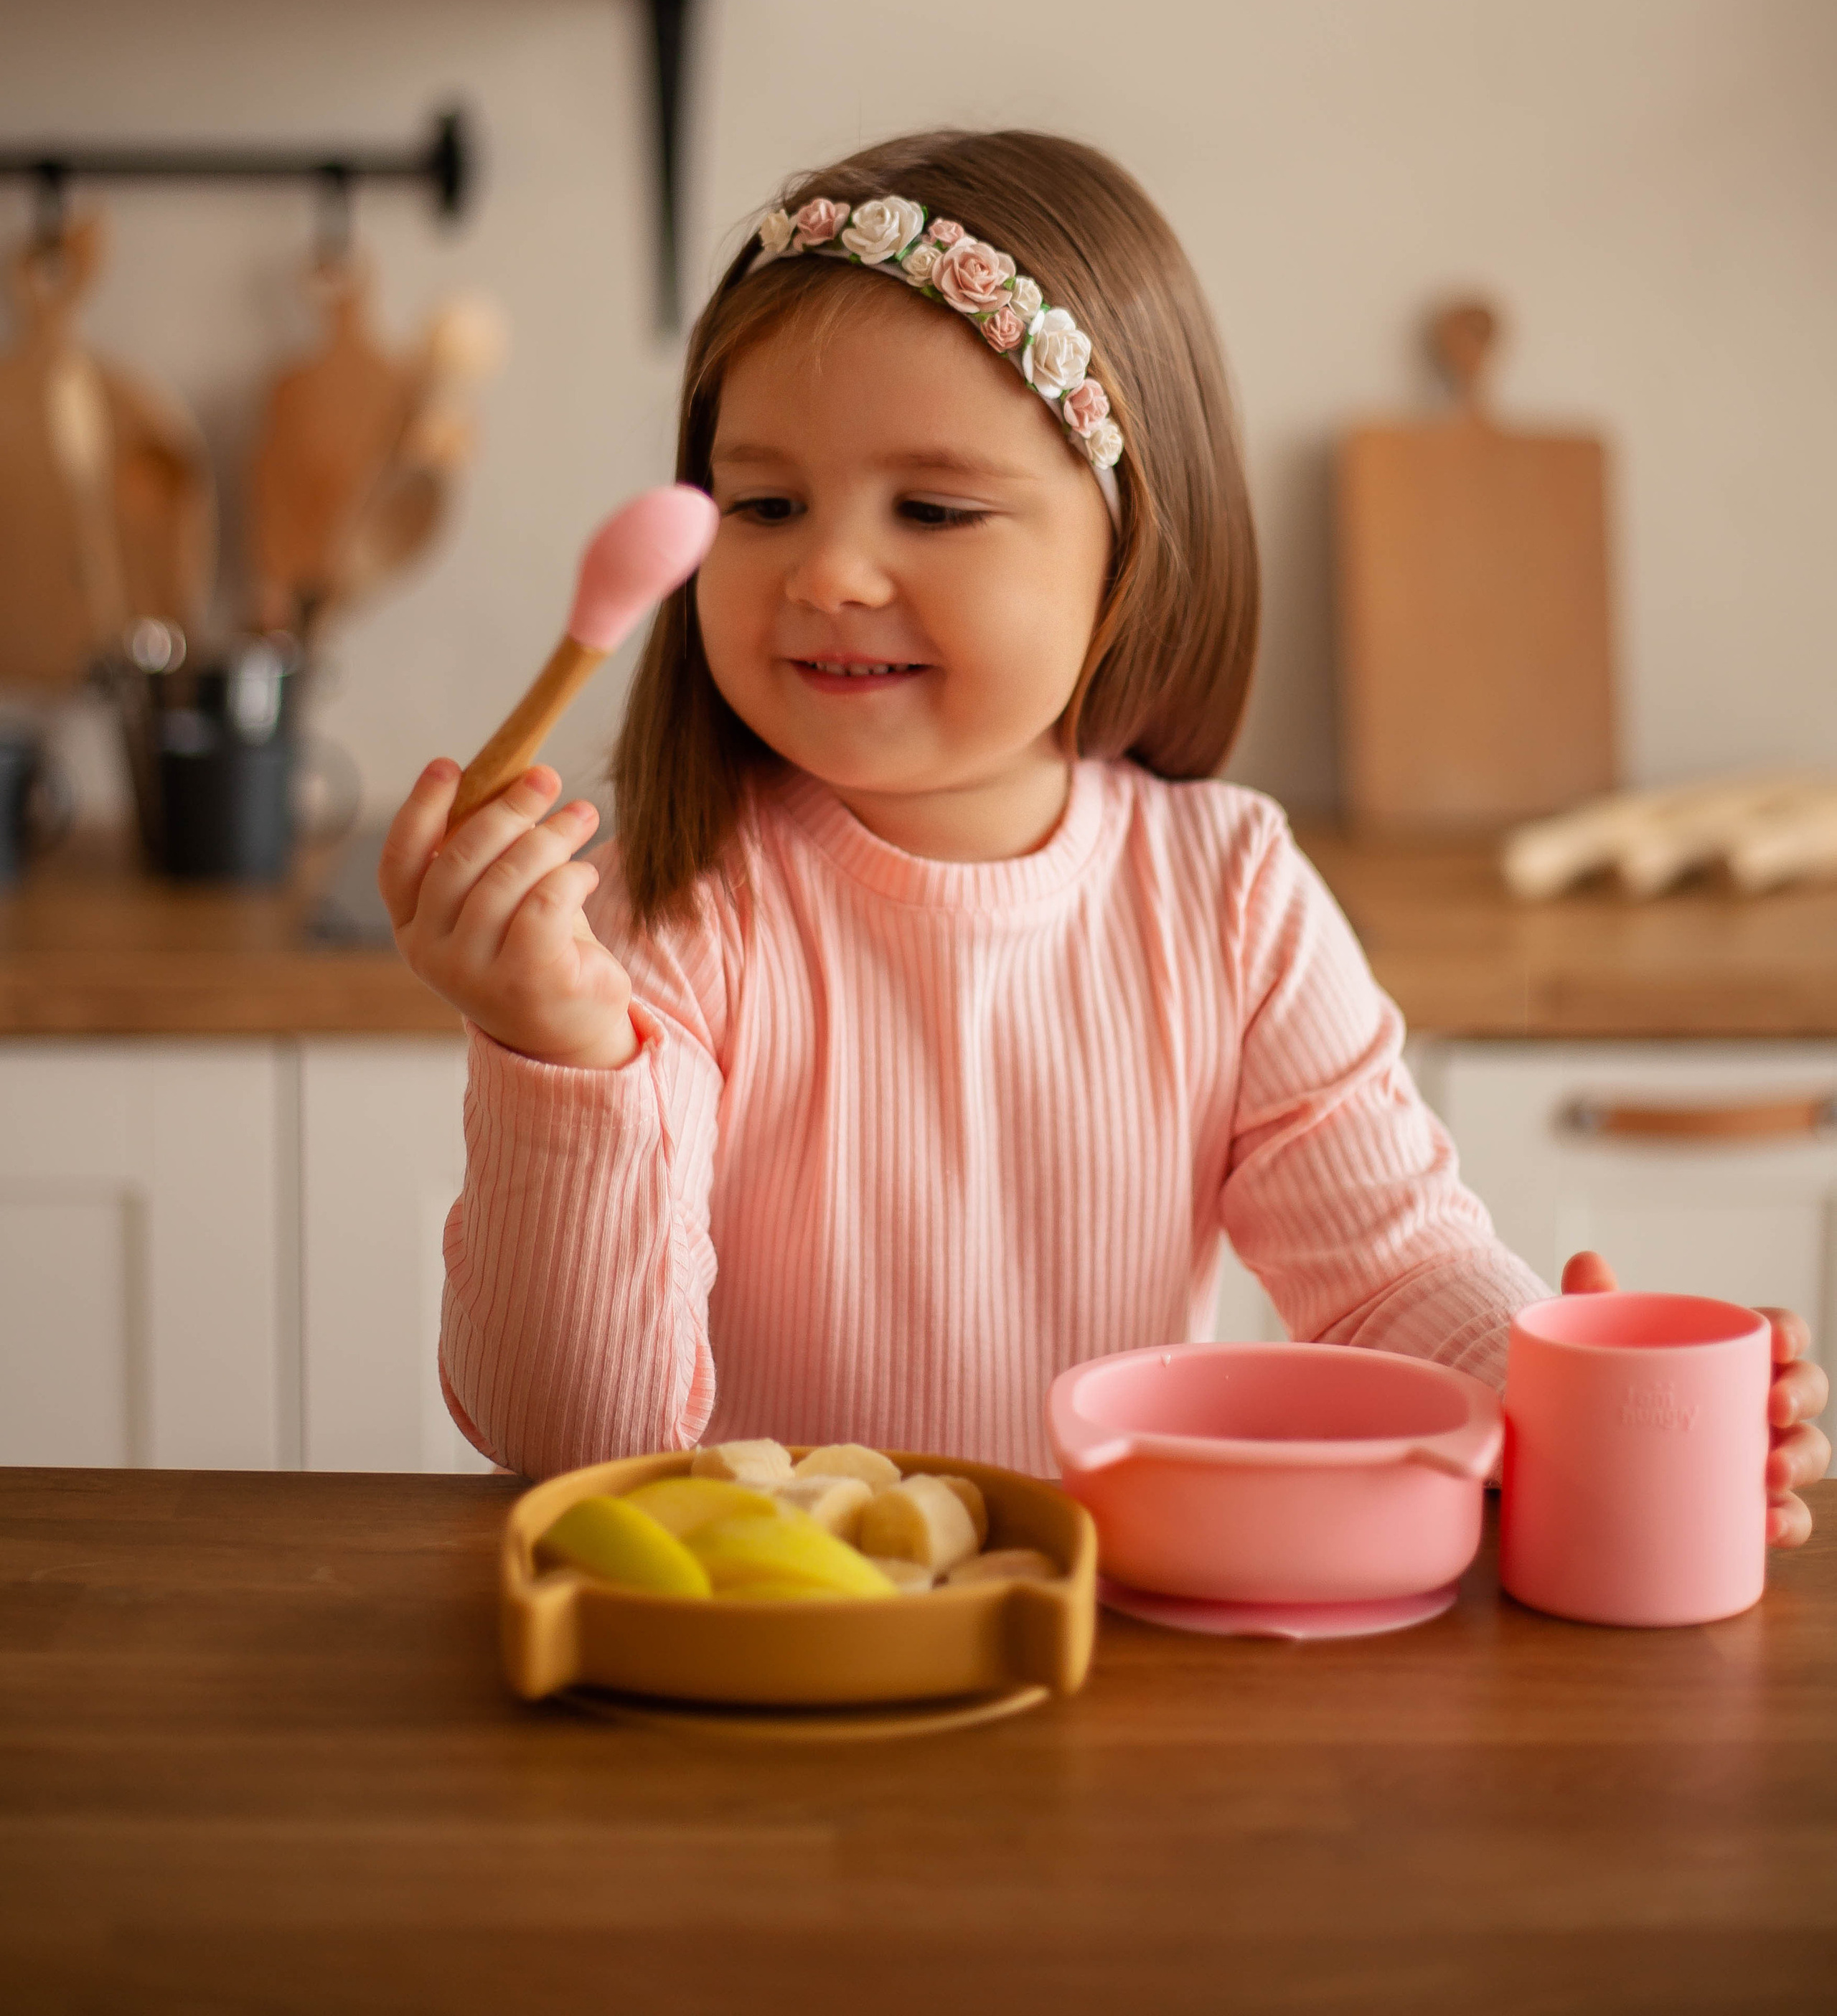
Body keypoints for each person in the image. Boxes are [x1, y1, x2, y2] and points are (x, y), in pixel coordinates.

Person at [381, 130, 1828, 1532]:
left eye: (934, 508)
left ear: (1131, 546)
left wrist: (1572, 1394)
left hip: (1104, 1670)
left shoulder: (1229, 893)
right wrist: (560, 1061)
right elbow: (572, 1439)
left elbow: (1390, 1275)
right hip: (764, 1675)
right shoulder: (670, 904)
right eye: (762, 503)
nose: (824, 570)